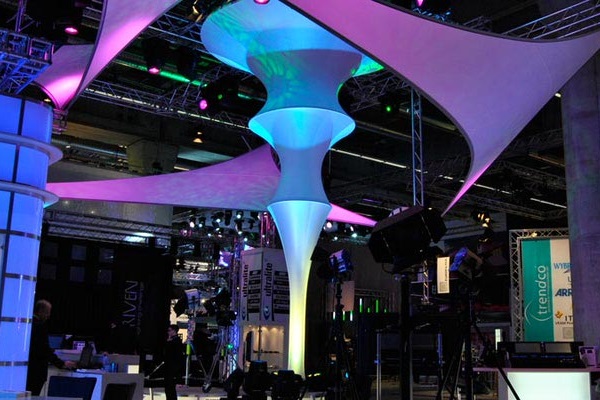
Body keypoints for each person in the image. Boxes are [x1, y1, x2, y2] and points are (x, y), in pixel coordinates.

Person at [26, 299, 77, 395]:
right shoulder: (39, 326)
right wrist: (62, 363)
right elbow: (44, 350)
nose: (48, 316)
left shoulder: (27, 325)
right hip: (36, 372)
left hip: (26, 371)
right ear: (40, 311)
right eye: (47, 312)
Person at [163, 324, 184, 400]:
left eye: (169, 330)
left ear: (174, 331)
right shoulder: (175, 341)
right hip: (171, 366)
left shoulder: (175, 341)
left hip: (171, 367)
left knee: (169, 387)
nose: (168, 332)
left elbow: (170, 353)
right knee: (169, 387)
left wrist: (168, 342)